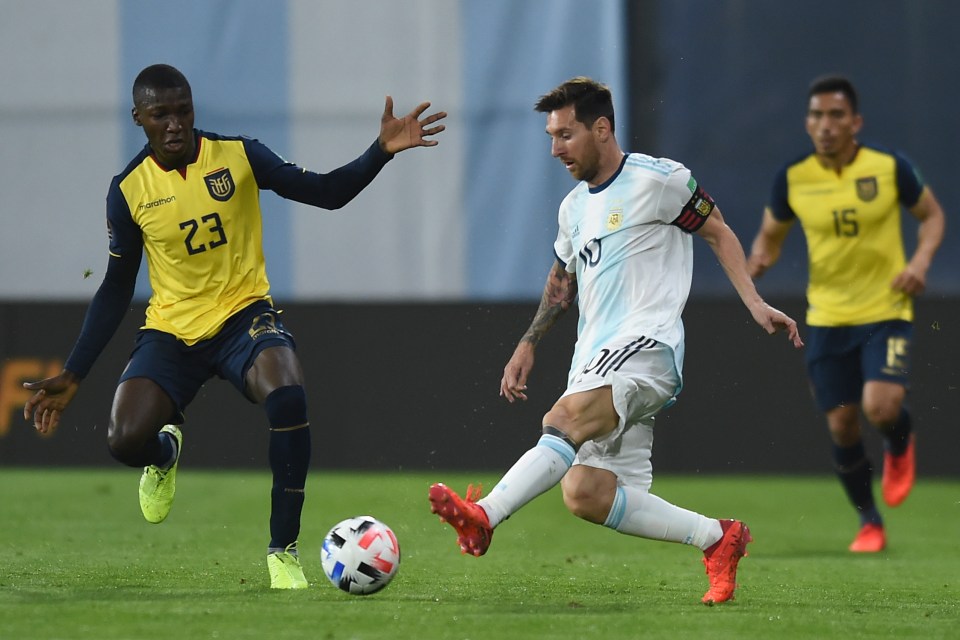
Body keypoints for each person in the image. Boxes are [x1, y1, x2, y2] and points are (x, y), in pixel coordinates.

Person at [22, 63, 446, 588]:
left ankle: (282, 550)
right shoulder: (128, 191)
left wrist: (379, 151)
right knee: (124, 442)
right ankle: (165, 453)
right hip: (172, 333)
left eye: (183, 111)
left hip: (244, 315)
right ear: (139, 119)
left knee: (288, 393)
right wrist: (74, 373)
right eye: (161, 115)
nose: (175, 124)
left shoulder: (239, 155)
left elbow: (328, 192)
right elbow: (114, 288)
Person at [428, 77, 803, 605]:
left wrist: (755, 302)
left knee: (562, 420)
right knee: (586, 494)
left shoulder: (661, 180)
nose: (555, 148)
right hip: (595, 359)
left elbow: (717, 229)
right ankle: (719, 538)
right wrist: (529, 341)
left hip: (647, 348)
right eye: (551, 136)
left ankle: (484, 517)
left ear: (601, 129)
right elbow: (563, 279)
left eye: (565, 134)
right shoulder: (573, 208)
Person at [747, 75, 945, 553]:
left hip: (886, 310)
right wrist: (755, 266)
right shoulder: (794, 178)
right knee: (842, 424)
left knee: (881, 407)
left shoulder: (888, 166)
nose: (826, 125)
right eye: (817, 115)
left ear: (855, 122)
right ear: (807, 123)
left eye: (836, 115)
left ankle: (899, 441)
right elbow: (770, 237)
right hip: (828, 318)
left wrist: (918, 263)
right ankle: (869, 522)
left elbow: (933, 216)